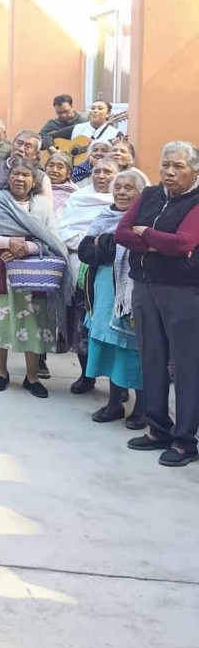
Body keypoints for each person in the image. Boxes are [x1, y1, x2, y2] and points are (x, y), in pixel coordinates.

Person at [115, 141, 199, 466]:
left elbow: (183, 242)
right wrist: (156, 242)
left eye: (178, 166)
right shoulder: (149, 195)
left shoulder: (196, 200)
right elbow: (122, 232)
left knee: (186, 365)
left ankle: (185, 441)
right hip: (144, 286)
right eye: (165, 164)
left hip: (182, 291)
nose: (169, 171)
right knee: (151, 357)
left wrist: (145, 235)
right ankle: (158, 429)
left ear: (194, 172)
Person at [0, 157, 70, 398]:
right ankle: (0, 372)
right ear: (8, 178)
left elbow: (52, 239)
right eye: (15, 174)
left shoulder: (42, 206)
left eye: (25, 175)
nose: (19, 178)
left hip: (33, 273)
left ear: (34, 181)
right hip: (0, 268)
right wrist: (9, 242)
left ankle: (32, 376)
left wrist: (27, 248)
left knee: (34, 323)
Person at [79, 168, 149, 428]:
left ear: (141, 193)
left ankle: (142, 408)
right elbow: (87, 251)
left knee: (134, 348)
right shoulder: (104, 216)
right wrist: (110, 243)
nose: (121, 192)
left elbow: (135, 247)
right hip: (105, 293)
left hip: (132, 294)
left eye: (128, 188)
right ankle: (114, 403)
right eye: (117, 187)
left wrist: (106, 242)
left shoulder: (147, 218)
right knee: (110, 346)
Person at [58, 155, 117, 393]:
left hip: (113, 275)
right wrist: (90, 244)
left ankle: (118, 383)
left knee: (112, 329)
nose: (101, 176)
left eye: (108, 172)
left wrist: (97, 245)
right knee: (81, 326)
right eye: (97, 172)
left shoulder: (124, 199)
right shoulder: (78, 198)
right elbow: (65, 230)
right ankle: (86, 375)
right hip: (80, 270)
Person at [44, 150, 77, 218]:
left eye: (60, 167)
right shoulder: (36, 187)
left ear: (68, 173)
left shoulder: (76, 194)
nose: (54, 170)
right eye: (51, 166)